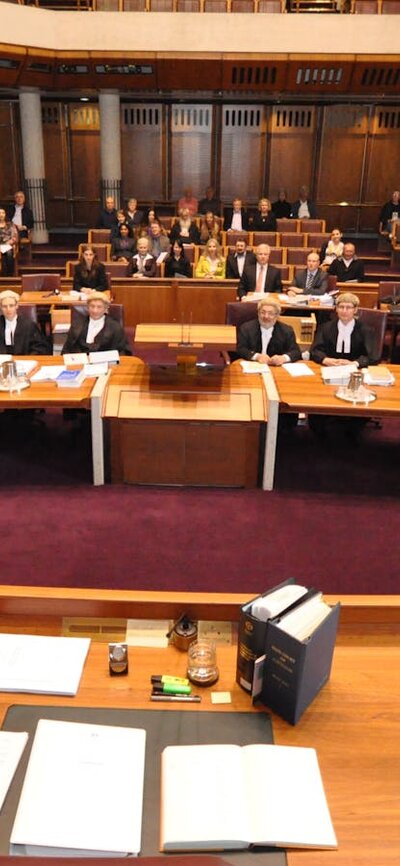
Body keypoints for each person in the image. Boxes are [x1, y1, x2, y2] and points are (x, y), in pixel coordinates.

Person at [310, 292, 378, 368]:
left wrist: (355, 363)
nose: (344, 311)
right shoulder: (325, 327)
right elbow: (315, 351)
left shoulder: (366, 330)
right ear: (336, 309)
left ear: (355, 310)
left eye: (348, 307)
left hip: (356, 370)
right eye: (341, 307)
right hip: (329, 368)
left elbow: (373, 356)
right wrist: (325, 359)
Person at [236, 297, 301, 365]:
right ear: (258, 313)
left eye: (270, 313)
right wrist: (257, 356)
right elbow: (241, 349)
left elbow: (296, 352)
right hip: (253, 365)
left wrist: (283, 358)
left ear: (277, 315)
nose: (266, 316)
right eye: (262, 312)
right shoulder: (246, 328)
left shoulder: (286, 330)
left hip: (277, 368)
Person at [62, 293, 131, 356]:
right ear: (88, 307)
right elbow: (67, 349)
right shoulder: (77, 324)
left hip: (105, 363)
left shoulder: (115, 327)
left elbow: (122, 352)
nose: (95, 310)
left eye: (99, 307)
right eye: (92, 306)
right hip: (79, 363)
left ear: (106, 309)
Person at [0, 290, 49, 355]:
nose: (8, 309)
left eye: (11, 305)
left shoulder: (29, 325)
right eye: (4, 306)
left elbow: (39, 347)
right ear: (0, 308)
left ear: (16, 306)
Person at [0, 208, 18, 276]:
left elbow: (14, 237)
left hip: (7, 244)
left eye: (2, 213)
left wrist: (8, 243)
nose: (1, 215)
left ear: (5, 215)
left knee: (9, 252)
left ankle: (9, 273)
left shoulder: (10, 224)